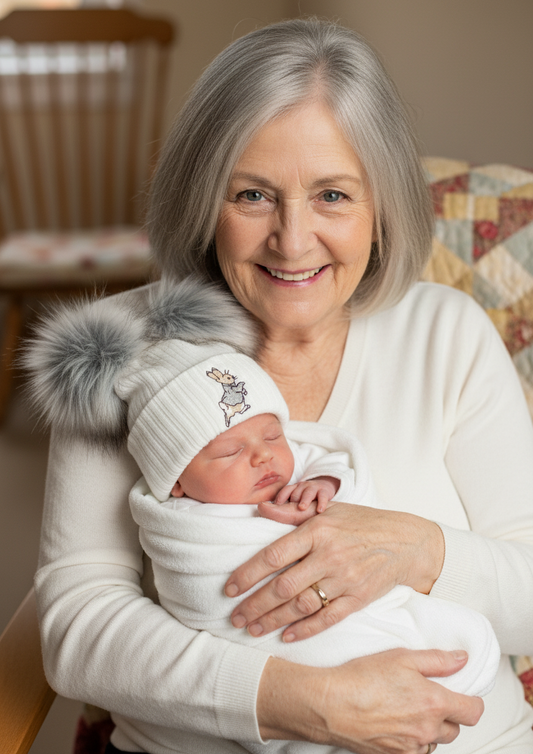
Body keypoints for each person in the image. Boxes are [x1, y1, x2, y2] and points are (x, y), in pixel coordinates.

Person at [29, 18, 533, 754]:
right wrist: (298, 702)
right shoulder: (119, 355)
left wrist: (417, 552)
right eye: (253, 196)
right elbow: (77, 626)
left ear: (380, 205)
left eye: (332, 195)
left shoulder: (445, 334)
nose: (292, 242)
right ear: (202, 199)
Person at [27, 277, 499, 752]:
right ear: (175, 481)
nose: (263, 458)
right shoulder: (182, 527)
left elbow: (335, 466)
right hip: (272, 673)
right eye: (231, 451)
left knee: (461, 640)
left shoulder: (446, 328)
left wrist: (334, 489)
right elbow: (192, 600)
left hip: (445, 703)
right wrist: (313, 701)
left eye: (273, 437)